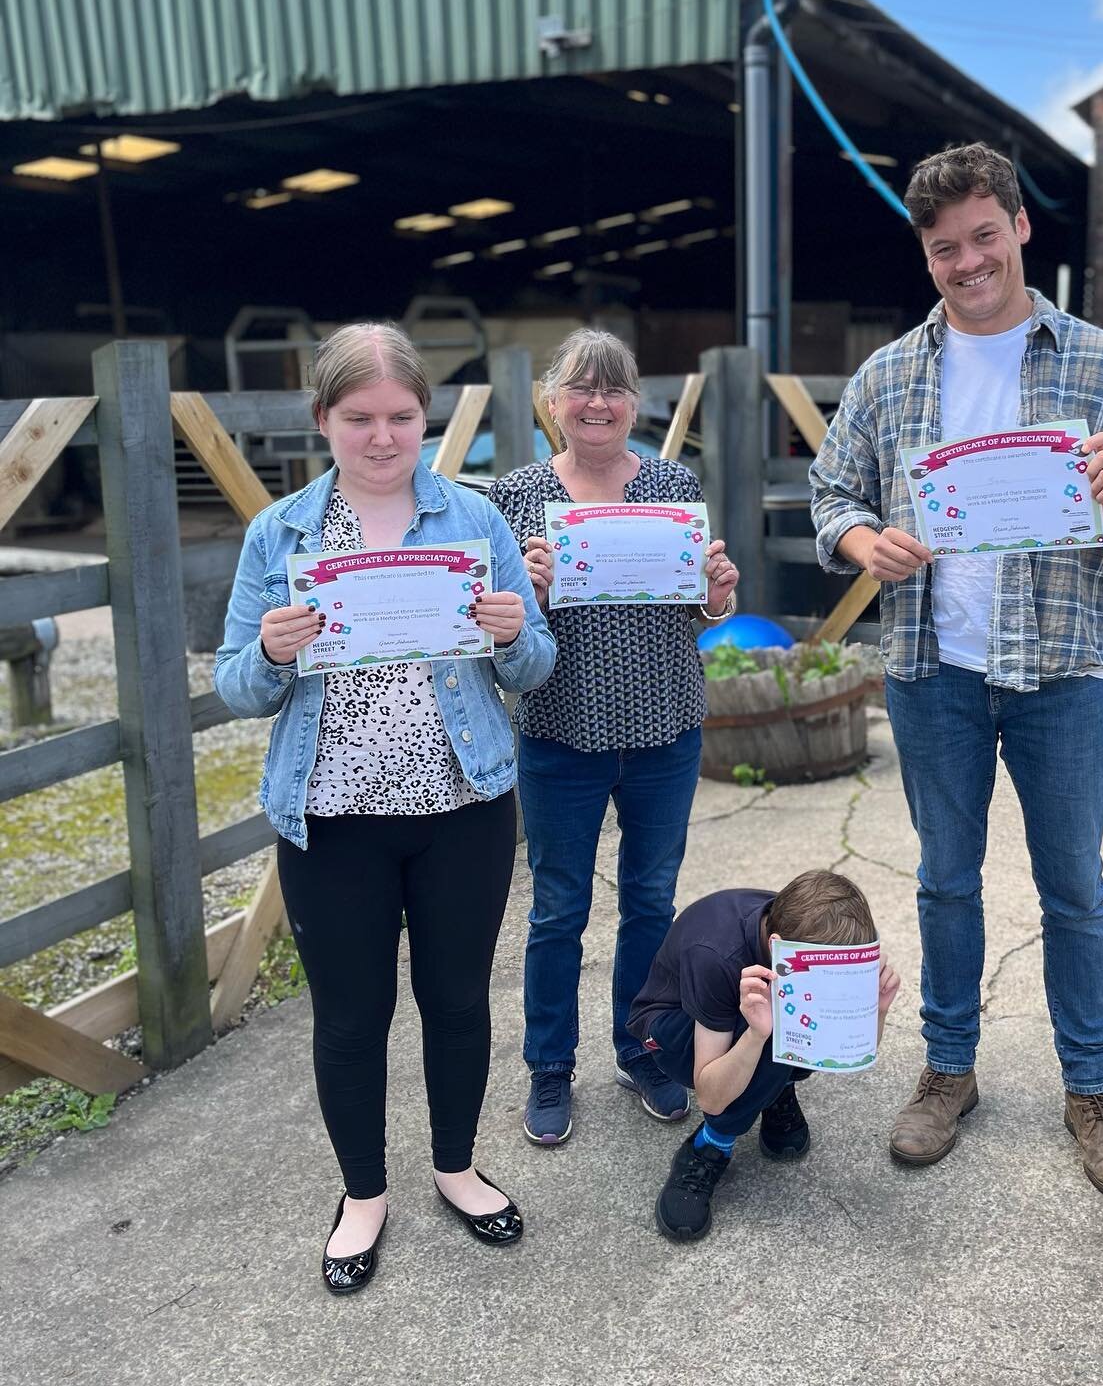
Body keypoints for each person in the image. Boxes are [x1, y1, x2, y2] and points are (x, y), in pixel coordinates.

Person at [810, 143, 1103, 1203]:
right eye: (945, 249)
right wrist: (860, 546)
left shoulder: (1101, 364)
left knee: (1072, 886)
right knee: (944, 880)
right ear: (926, 256)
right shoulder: (890, 375)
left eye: (985, 237)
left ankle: (1091, 1090)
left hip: (1060, 670)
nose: (968, 261)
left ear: (1020, 228)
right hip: (934, 667)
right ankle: (948, 1072)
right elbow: (830, 491)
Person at [215, 322, 556, 1293]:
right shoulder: (278, 534)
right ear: (323, 419)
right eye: (358, 417)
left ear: (427, 417)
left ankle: (455, 1167)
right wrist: (275, 652)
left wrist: (508, 632)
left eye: (401, 415)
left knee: (455, 1000)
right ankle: (363, 1193)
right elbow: (237, 688)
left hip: (463, 808)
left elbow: (537, 665)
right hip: (332, 822)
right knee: (352, 1016)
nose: (381, 435)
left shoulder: (474, 520)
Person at [488, 329, 739, 1147]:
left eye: (616, 390)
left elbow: (696, 613)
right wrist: (522, 592)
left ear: (635, 404)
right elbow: (494, 631)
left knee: (649, 903)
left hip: (665, 724)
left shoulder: (670, 483)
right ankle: (549, 1068)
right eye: (581, 388)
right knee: (558, 910)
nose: (599, 403)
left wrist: (717, 595)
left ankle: (643, 1051)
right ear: (552, 401)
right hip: (561, 730)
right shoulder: (517, 496)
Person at [627, 870, 901, 1242]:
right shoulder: (716, 957)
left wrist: (877, 1010)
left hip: (744, 1009)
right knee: (773, 1034)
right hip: (671, 1025)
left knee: (797, 1019)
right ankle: (709, 1147)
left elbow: (842, 1048)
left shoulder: (802, 928)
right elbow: (709, 1094)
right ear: (776, 945)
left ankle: (774, 1088)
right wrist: (756, 1035)